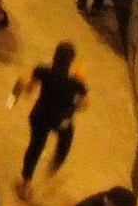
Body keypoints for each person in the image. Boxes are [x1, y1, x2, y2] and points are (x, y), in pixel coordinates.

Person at [15, 39, 87, 191]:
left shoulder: (42, 71)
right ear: (71, 61)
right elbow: (83, 106)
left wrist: (20, 84)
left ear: (55, 55)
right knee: (65, 141)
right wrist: (73, 103)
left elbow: (28, 90)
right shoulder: (76, 83)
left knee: (35, 147)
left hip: (40, 115)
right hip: (61, 120)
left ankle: (26, 183)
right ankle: (55, 164)